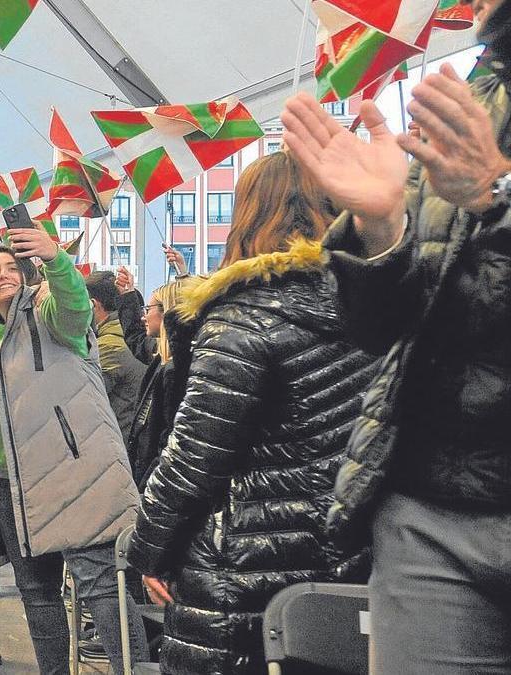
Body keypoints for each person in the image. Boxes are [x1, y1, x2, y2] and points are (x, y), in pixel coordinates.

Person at [281, 1, 511, 665]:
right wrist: (381, 232)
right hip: (428, 513)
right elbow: (380, 329)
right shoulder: (474, 92)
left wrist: (497, 193)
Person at [127, 152, 376, 675]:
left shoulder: (242, 317)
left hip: (244, 563)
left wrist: (147, 550)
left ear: (246, 216)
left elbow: (193, 457)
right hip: (356, 550)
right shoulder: (374, 302)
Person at [0, 226, 146, 675]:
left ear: (25, 274)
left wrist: (55, 258)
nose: (0, 274)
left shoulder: (48, 312)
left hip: (71, 471)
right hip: (8, 482)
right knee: (36, 592)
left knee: (100, 585)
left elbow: (77, 308)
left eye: (9, 267)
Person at [114, 271, 203, 488]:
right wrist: (127, 296)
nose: (144, 316)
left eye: (148, 309)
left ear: (168, 313)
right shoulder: (161, 357)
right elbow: (136, 339)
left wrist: (149, 483)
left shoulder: (176, 369)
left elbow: (169, 439)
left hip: (155, 478)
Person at [85, 270, 146, 434]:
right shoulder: (132, 338)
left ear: (93, 304)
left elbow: (86, 400)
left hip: (118, 439)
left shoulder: (108, 346)